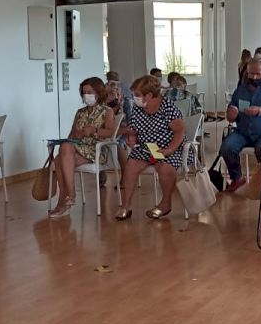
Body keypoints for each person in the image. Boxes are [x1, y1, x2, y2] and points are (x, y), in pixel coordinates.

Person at [115, 74, 186, 220]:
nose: (135, 97)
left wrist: (169, 150)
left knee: (165, 167)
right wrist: (132, 138)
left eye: (137, 94)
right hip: (146, 148)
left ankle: (165, 204)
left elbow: (180, 131)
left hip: (170, 147)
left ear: (148, 95)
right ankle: (126, 206)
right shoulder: (138, 108)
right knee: (130, 166)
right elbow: (134, 129)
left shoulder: (167, 107)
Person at [49, 77, 116, 218]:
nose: (86, 95)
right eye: (84, 92)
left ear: (98, 92)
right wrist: (77, 134)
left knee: (59, 160)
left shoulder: (107, 111)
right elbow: (71, 135)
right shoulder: (80, 112)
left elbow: (110, 132)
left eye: (89, 92)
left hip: (96, 150)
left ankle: (66, 198)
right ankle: (69, 197)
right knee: (63, 152)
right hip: (78, 148)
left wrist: (95, 130)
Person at [220, 58, 261, 191]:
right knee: (227, 147)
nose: (254, 77)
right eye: (251, 74)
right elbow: (230, 117)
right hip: (243, 132)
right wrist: (232, 115)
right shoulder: (240, 90)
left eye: (258, 74)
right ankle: (237, 178)